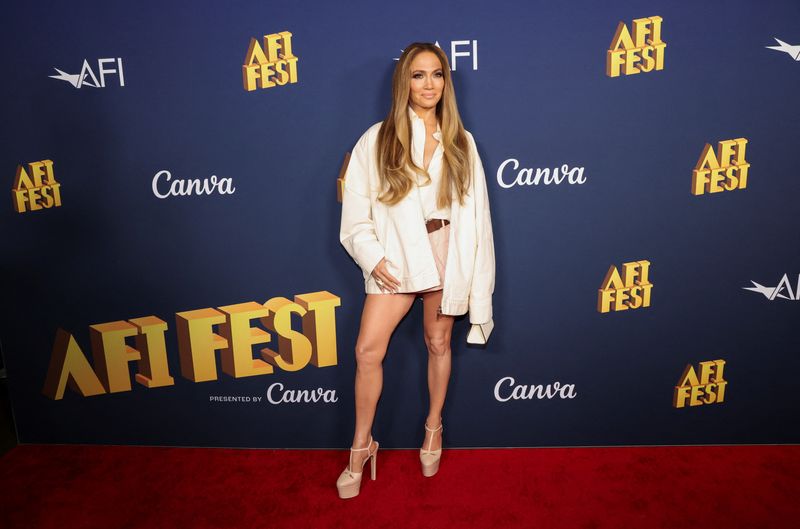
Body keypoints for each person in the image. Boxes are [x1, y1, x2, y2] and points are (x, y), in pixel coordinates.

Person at [336, 42, 495, 499]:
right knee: (367, 350)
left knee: (438, 341)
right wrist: (373, 258)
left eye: (437, 74)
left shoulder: (462, 142)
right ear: (403, 81)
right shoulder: (377, 138)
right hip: (397, 255)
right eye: (419, 75)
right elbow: (357, 213)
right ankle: (361, 446)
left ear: (447, 82)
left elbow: (478, 218)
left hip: (447, 250)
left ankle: (432, 427)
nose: (429, 84)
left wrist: (478, 281)